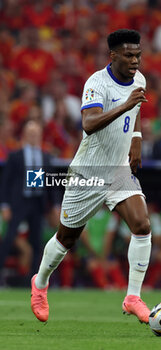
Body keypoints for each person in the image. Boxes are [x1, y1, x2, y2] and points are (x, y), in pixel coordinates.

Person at [31, 29, 152, 324]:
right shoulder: (96, 83)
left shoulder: (139, 79)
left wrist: (136, 137)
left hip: (118, 169)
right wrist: (123, 105)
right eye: (128, 55)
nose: (135, 60)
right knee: (66, 238)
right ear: (113, 56)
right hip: (89, 171)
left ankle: (132, 297)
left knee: (142, 224)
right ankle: (40, 283)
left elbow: (136, 107)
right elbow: (89, 123)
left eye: (138, 54)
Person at [0, 120, 60, 280]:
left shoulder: (45, 157)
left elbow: (51, 185)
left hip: (37, 202)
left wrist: (54, 206)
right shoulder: (15, 156)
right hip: (19, 202)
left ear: (40, 136)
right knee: (9, 237)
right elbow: (6, 182)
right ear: (25, 135)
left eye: (36, 134)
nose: (33, 137)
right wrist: (4, 205)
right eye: (31, 134)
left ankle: (33, 278)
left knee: (36, 241)